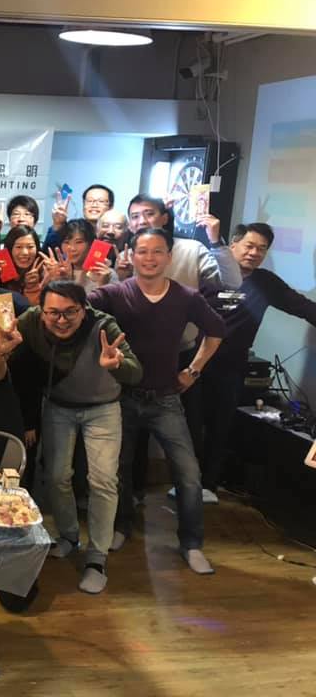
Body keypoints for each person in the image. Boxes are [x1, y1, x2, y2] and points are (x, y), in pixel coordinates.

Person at [88, 228, 225, 574]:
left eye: (157, 252)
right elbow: (76, 312)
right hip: (122, 397)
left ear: (168, 257)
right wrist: (87, 282)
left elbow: (216, 331)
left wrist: (193, 370)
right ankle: (121, 526)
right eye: (143, 251)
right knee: (119, 469)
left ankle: (191, 543)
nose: (149, 258)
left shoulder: (186, 296)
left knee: (188, 473)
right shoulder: (116, 292)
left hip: (166, 399)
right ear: (131, 256)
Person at [0, 280, 142, 594]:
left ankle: (97, 557)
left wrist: (116, 364)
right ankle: (68, 535)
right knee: (57, 475)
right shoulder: (32, 321)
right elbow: (5, 343)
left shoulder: (103, 325)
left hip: (103, 408)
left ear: (83, 309)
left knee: (103, 481)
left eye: (70, 312)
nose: (61, 320)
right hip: (58, 407)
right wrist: (1, 346)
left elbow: (136, 371)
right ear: (42, 311)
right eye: (53, 313)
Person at [124, 194, 241, 502]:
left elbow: (232, 282)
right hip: (134, 356)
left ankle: (189, 489)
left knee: (187, 425)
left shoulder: (191, 249)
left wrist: (216, 241)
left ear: (165, 217)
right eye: (135, 216)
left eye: (149, 214)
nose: (142, 221)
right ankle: (133, 492)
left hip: (182, 353)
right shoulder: (127, 252)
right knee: (133, 431)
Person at [200, 223, 316, 497]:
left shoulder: (265, 282)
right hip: (194, 360)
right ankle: (182, 482)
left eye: (261, 249)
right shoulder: (207, 272)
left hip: (231, 365)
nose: (254, 253)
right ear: (233, 245)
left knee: (220, 426)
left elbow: (302, 306)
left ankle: (207, 485)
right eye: (249, 246)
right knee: (189, 424)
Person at [45, 184, 114, 251]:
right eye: (89, 201)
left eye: (101, 201)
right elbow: (47, 254)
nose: (94, 205)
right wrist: (58, 225)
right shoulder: (71, 230)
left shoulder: (115, 234)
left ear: (111, 207)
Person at [0, 226, 45, 305]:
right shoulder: (1, 267)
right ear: (9, 248)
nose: (25, 252)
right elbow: (1, 307)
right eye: (18, 247)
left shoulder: (46, 270)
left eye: (30, 247)